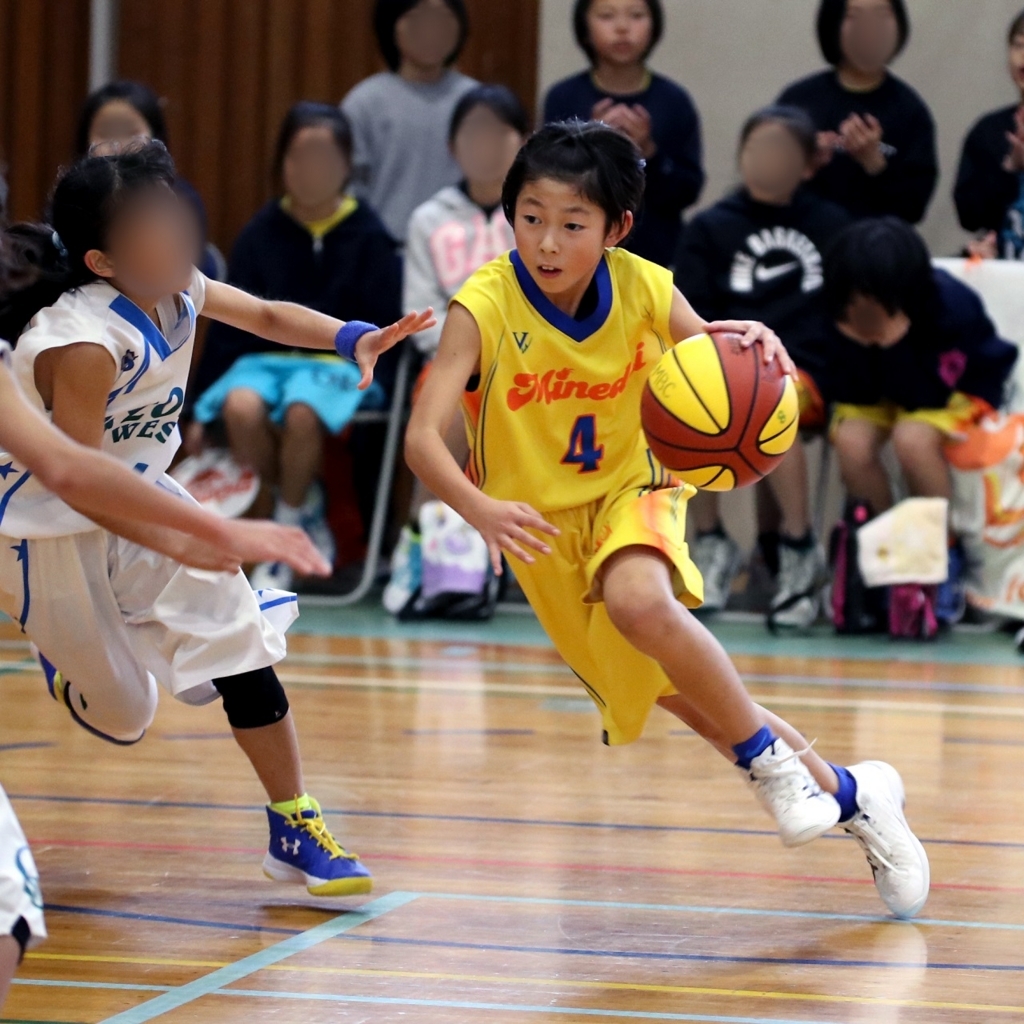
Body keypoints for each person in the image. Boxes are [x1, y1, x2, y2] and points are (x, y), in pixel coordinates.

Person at [405, 120, 930, 919]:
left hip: (635, 488)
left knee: (641, 602)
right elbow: (420, 439)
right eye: (531, 216)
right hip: (540, 533)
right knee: (692, 697)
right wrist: (477, 507)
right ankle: (859, 797)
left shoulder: (646, 287)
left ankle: (770, 765)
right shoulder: (481, 306)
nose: (547, 241)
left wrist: (748, 338)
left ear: (616, 228)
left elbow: (712, 363)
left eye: (572, 223)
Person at [0, 141, 432, 899]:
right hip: (43, 529)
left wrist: (348, 337)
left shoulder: (179, 286)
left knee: (236, 628)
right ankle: (68, 658)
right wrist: (195, 535)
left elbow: (264, 313)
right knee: (125, 713)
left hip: (136, 489)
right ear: (102, 261)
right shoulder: (84, 344)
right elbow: (81, 485)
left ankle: (294, 822)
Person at [188, 103, 402, 591]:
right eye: (299, 157)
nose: (311, 170)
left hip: (338, 363)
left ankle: (285, 520)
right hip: (263, 363)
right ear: (281, 163)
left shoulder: (370, 238)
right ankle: (302, 506)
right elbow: (228, 326)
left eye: (324, 157)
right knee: (240, 406)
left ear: (347, 165)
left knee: (304, 410)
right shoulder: (259, 233)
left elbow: (384, 324)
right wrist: (200, 410)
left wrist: (384, 380)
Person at [674, 106, 851, 629]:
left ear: (806, 165)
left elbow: (845, 316)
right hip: (729, 364)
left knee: (779, 400)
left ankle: (798, 547)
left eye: (779, 152)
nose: (764, 161)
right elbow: (691, 316)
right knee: (690, 401)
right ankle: (709, 540)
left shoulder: (832, 226)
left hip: (805, 372)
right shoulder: (711, 227)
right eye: (755, 150)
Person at [822, 217, 1018, 623]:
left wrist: (892, 345)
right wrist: (862, 345)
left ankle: (937, 555)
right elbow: (844, 390)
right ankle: (884, 551)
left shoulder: (950, 309)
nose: (864, 313)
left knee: (913, 438)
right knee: (851, 440)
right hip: (880, 391)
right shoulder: (837, 313)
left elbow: (927, 396)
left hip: (960, 390)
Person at [386, 84, 527, 613]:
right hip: (453, 362)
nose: (485, 144)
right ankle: (424, 541)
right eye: (474, 132)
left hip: (531, 363)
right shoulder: (428, 218)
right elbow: (420, 315)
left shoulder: (534, 217)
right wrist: (471, 349)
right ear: (453, 145)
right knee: (449, 407)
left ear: (523, 142)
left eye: (499, 132)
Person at [543, 0, 703, 267]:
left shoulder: (674, 100)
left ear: (654, 26)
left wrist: (648, 152)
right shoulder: (564, 97)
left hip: (656, 253)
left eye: (636, 15)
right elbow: (549, 179)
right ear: (584, 28)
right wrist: (589, 144)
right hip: (577, 253)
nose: (622, 28)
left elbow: (687, 191)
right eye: (606, 16)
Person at [777, 0, 937, 225]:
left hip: (877, 249)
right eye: (855, 16)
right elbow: (764, 191)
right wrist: (803, 164)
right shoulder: (799, 100)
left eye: (881, 15)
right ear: (833, 24)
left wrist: (875, 163)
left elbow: (912, 210)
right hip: (805, 243)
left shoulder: (911, 111)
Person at [342, 0, 477, 244]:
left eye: (442, 18)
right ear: (392, 25)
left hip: (466, 249)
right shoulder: (365, 103)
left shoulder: (476, 101)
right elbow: (348, 192)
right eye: (418, 17)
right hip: (384, 249)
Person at [75, 79, 219, 279]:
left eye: (130, 133)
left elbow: (182, 277)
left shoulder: (181, 200)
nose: (118, 144)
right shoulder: (70, 201)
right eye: (106, 133)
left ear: (155, 138)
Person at [954, 9, 1024, 260]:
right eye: (1018, 46)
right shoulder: (989, 130)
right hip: (1004, 268)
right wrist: (1010, 167)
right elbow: (969, 216)